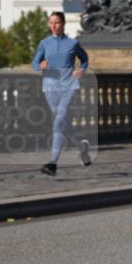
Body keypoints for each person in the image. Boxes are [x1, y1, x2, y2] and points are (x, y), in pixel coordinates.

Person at [32, 12, 91, 176]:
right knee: (63, 123)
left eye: (56, 22)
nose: (53, 25)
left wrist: (82, 70)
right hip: (50, 87)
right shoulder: (44, 43)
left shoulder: (73, 43)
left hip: (69, 86)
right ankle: (82, 147)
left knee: (58, 122)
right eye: (51, 23)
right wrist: (40, 67)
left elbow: (84, 59)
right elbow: (35, 63)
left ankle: (53, 163)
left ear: (63, 24)